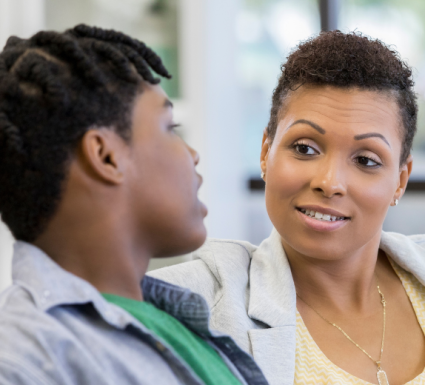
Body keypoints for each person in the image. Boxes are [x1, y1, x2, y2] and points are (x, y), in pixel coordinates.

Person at [151, 31, 425, 385]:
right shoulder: (208, 296)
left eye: (367, 160)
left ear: (400, 180)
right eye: (304, 148)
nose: (329, 182)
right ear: (266, 152)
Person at [0, 25, 267, 385]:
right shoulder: (26, 358)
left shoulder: (174, 321)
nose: (193, 155)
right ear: (106, 156)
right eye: (170, 127)